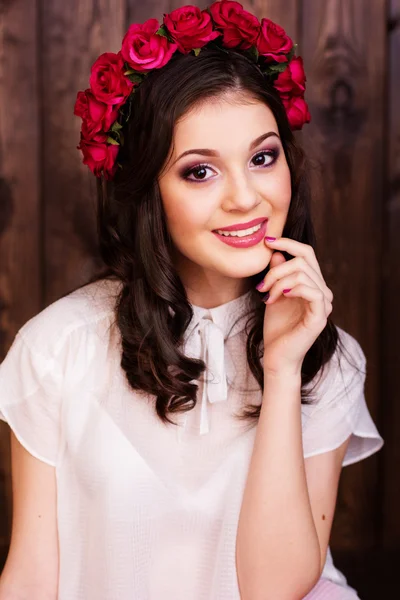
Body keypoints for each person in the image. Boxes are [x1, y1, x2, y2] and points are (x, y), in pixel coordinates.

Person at [0, 2, 383, 599]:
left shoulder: (327, 359)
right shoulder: (58, 349)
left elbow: (275, 589)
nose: (245, 199)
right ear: (149, 190)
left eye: (262, 158)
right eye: (200, 172)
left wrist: (281, 372)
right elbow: (29, 578)